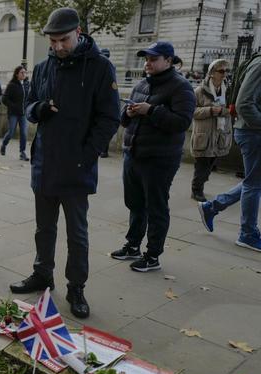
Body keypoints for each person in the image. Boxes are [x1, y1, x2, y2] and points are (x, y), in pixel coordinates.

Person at [9, 8, 120, 319]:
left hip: (77, 166)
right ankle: (42, 274)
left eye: (64, 40)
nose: (58, 46)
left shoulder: (100, 67)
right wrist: (39, 108)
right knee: (44, 228)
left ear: (79, 32)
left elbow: (110, 117)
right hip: (45, 163)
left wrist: (87, 154)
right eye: (53, 41)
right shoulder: (44, 68)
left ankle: (76, 287)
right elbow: (28, 106)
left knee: (77, 233)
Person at [110, 41, 196, 271]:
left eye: (153, 59)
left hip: (160, 159)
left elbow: (182, 122)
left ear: (169, 61)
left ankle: (153, 256)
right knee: (135, 203)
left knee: (156, 207)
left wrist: (151, 110)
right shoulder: (141, 84)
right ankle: (133, 245)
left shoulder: (181, 87)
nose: (147, 63)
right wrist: (127, 113)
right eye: (146, 59)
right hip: (134, 153)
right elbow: (124, 120)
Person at [198, 53, 261, 251]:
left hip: (253, 131)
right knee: (254, 184)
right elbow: (244, 104)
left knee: (254, 181)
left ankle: (212, 207)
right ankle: (247, 234)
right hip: (253, 133)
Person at [189, 59, 232, 202]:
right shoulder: (199, 91)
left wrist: (226, 111)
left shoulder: (228, 91)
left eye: (227, 71)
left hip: (220, 133)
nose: (225, 74)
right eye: (221, 71)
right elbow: (191, 111)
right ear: (212, 73)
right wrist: (211, 110)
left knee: (210, 164)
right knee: (202, 164)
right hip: (204, 135)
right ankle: (196, 190)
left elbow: (232, 109)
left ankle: (200, 184)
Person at [1, 65, 29, 160]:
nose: (24, 74)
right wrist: (13, 106)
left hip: (23, 113)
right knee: (11, 132)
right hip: (13, 113)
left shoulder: (26, 84)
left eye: (25, 72)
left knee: (24, 133)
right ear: (17, 74)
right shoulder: (12, 85)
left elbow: (29, 97)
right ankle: (4, 144)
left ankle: (22, 152)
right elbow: (4, 99)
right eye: (22, 72)